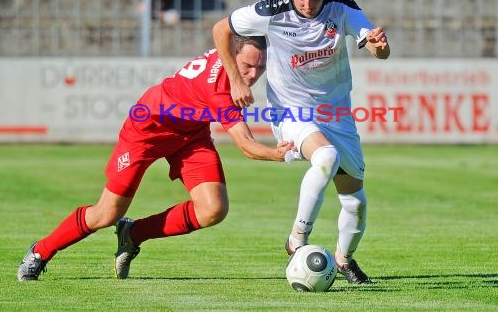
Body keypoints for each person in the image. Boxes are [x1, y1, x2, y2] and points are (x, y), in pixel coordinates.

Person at [17, 35, 295, 281]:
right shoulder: (220, 91)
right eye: (247, 66)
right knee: (107, 213)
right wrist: (279, 154)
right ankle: (40, 251)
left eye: (260, 67)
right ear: (232, 56)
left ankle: (133, 234)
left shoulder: (228, 49)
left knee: (213, 209)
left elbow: (224, 26)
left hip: (190, 134)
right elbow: (246, 145)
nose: (253, 74)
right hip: (147, 130)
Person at [212, 0, 390, 285]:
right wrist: (235, 78)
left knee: (355, 202)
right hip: (291, 110)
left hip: (336, 112)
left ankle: (343, 261)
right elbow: (220, 29)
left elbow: (378, 48)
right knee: (326, 156)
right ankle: (297, 239)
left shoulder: (342, 8)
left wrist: (380, 46)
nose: (307, 4)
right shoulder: (271, 11)